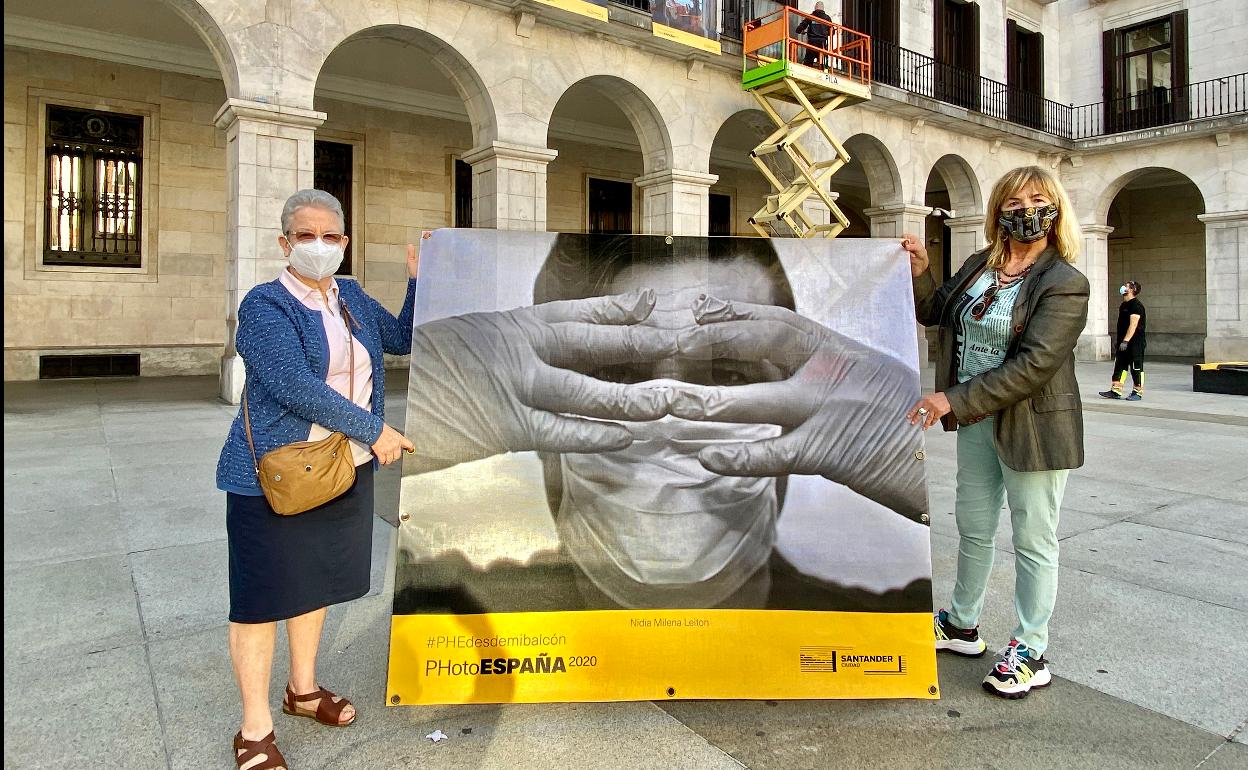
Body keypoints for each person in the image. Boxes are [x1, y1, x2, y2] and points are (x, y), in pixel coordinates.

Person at [390, 234, 928, 616]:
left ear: (802, 422)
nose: (669, 409)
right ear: (536, 427)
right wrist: (421, 417)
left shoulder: (878, 631)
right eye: (616, 375)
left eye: (727, 375)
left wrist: (907, 455)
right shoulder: (453, 616)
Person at [215, 189, 419, 770]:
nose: (320, 246)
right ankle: (255, 728)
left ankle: (302, 691)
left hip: (341, 469)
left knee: (313, 586)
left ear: (345, 243)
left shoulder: (349, 296)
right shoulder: (263, 305)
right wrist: (375, 429)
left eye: (331, 237)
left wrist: (421, 282)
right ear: (286, 242)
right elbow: (293, 385)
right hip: (275, 476)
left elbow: (401, 339)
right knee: (258, 601)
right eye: (307, 235)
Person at [900, 165, 1090, 699]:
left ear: (1054, 208)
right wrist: (921, 268)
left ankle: (1030, 648)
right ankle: (962, 623)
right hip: (977, 422)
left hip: (1033, 428)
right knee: (974, 525)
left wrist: (950, 399)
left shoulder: (1065, 283)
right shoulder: (980, 265)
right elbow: (933, 311)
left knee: (1033, 538)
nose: (1023, 209)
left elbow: (1036, 364)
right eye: (1011, 200)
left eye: (1035, 198)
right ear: (997, 209)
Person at [1099, 280, 1146, 401]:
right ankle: (1116, 391)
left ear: (1131, 290)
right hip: (1123, 342)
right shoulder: (1124, 305)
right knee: (1120, 366)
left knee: (1136, 367)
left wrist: (1126, 341)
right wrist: (1120, 341)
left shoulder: (1136, 306)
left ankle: (1137, 392)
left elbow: (1133, 325)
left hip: (1135, 343)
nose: (1123, 287)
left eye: (1126, 286)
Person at [795, 2, 832, 68]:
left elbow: (800, 28)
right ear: (823, 9)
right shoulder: (827, 18)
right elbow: (831, 32)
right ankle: (824, 71)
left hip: (812, 42)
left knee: (808, 62)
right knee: (823, 61)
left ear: (815, 8)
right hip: (822, 43)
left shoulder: (811, 16)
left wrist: (801, 31)